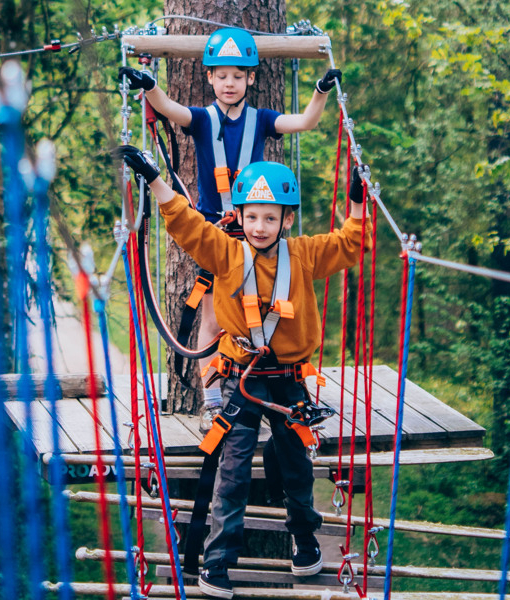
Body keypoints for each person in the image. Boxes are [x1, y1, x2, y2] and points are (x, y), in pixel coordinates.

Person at [115, 144, 371, 599]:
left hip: (289, 380)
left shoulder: (306, 255)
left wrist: (355, 201)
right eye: (252, 217)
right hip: (242, 381)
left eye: (270, 218)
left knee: (296, 465)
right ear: (240, 215)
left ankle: (305, 541)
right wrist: (155, 178)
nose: (259, 227)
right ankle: (217, 564)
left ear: (286, 220)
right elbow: (186, 223)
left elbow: (350, 245)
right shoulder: (226, 253)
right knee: (231, 473)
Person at [119, 27, 343, 424]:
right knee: (213, 319)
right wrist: (150, 84)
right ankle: (213, 403)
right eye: (221, 75)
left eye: (238, 76)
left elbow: (306, 122)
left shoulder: (262, 120)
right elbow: (170, 109)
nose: (229, 83)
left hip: (259, 230)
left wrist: (321, 91)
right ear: (209, 77)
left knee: (267, 311)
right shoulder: (203, 120)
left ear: (251, 79)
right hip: (218, 234)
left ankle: (274, 386)